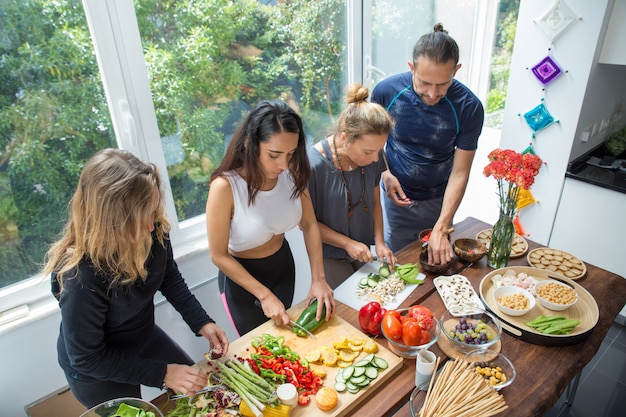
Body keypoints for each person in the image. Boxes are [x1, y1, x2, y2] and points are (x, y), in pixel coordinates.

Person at [44, 148, 229, 408]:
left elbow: (169, 278)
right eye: (144, 215)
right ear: (112, 221)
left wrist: (202, 322)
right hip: (96, 368)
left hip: (141, 335)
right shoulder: (79, 275)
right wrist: (163, 373)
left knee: (202, 395)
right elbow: (86, 358)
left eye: (153, 211)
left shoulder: (153, 229)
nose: (152, 225)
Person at [206, 100, 335, 336]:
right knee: (262, 349)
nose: (284, 164)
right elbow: (218, 255)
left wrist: (319, 278)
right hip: (242, 282)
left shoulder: (292, 171)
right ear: (250, 143)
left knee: (286, 340)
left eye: (291, 153)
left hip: (283, 267)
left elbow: (309, 224)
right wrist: (264, 295)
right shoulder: (225, 187)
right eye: (274, 154)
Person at [371, 23, 484, 264]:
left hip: (439, 202)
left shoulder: (469, 107)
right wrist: (385, 173)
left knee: (436, 264)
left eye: (443, 84)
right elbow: (372, 145)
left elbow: (460, 171)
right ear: (411, 67)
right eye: (424, 83)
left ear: (456, 70)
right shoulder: (386, 92)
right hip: (395, 199)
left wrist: (442, 227)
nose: (433, 94)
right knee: (399, 265)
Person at [307, 83, 397, 289]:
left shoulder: (372, 155)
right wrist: (347, 244)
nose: (376, 159)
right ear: (345, 137)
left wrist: (380, 243)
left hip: (363, 248)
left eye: (379, 151)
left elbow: (375, 201)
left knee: (378, 295)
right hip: (330, 254)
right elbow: (306, 223)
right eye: (368, 152)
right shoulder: (313, 165)